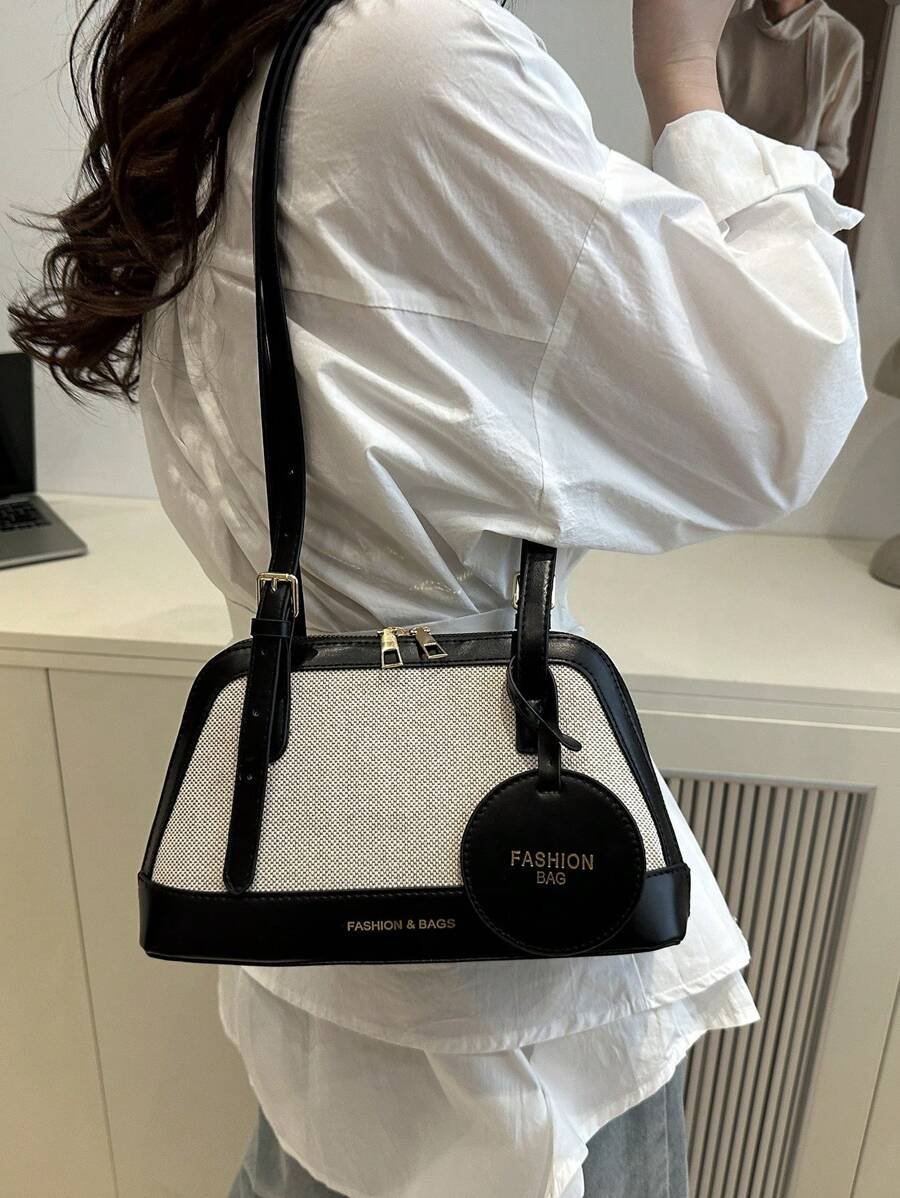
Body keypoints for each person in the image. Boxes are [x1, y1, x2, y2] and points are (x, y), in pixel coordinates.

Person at [7, 1, 868, 1195]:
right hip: (509, 1011)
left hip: (324, 936)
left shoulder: (239, 55)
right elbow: (779, 416)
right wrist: (685, 81)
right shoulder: (414, 61)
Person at [717, 0, 865, 179]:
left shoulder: (843, 41)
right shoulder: (724, 34)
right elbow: (707, 132)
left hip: (793, 189)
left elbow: (831, 155)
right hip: (720, 180)